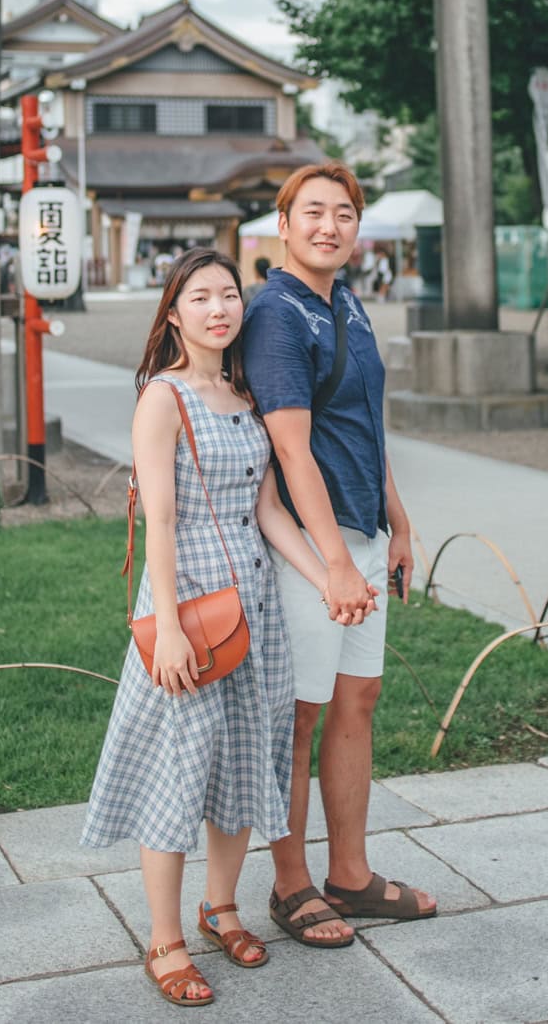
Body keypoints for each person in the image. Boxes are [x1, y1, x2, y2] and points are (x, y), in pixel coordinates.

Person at [82, 247, 347, 1007]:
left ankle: (221, 907)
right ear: (174, 314)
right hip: (192, 604)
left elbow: (268, 510)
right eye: (199, 297)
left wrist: (326, 576)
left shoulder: (242, 394)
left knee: (243, 762)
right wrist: (165, 626)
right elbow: (160, 520)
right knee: (179, 768)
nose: (218, 309)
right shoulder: (162, 398)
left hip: (253, 603)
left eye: (228, 294)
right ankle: (165, 940)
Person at [241, 162, 437, 947]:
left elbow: (365, 422)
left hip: (362, 534)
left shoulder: (346, 301)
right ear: (283, 223)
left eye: (344, 213)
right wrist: (334, 563)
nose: (330, 226)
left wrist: (398, 522)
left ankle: (350, 875)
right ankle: (290, 884)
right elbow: (291, 449)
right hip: (310, 548)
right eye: (313, 212)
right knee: (300, 714)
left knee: (359, 701)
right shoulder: (275, 314)